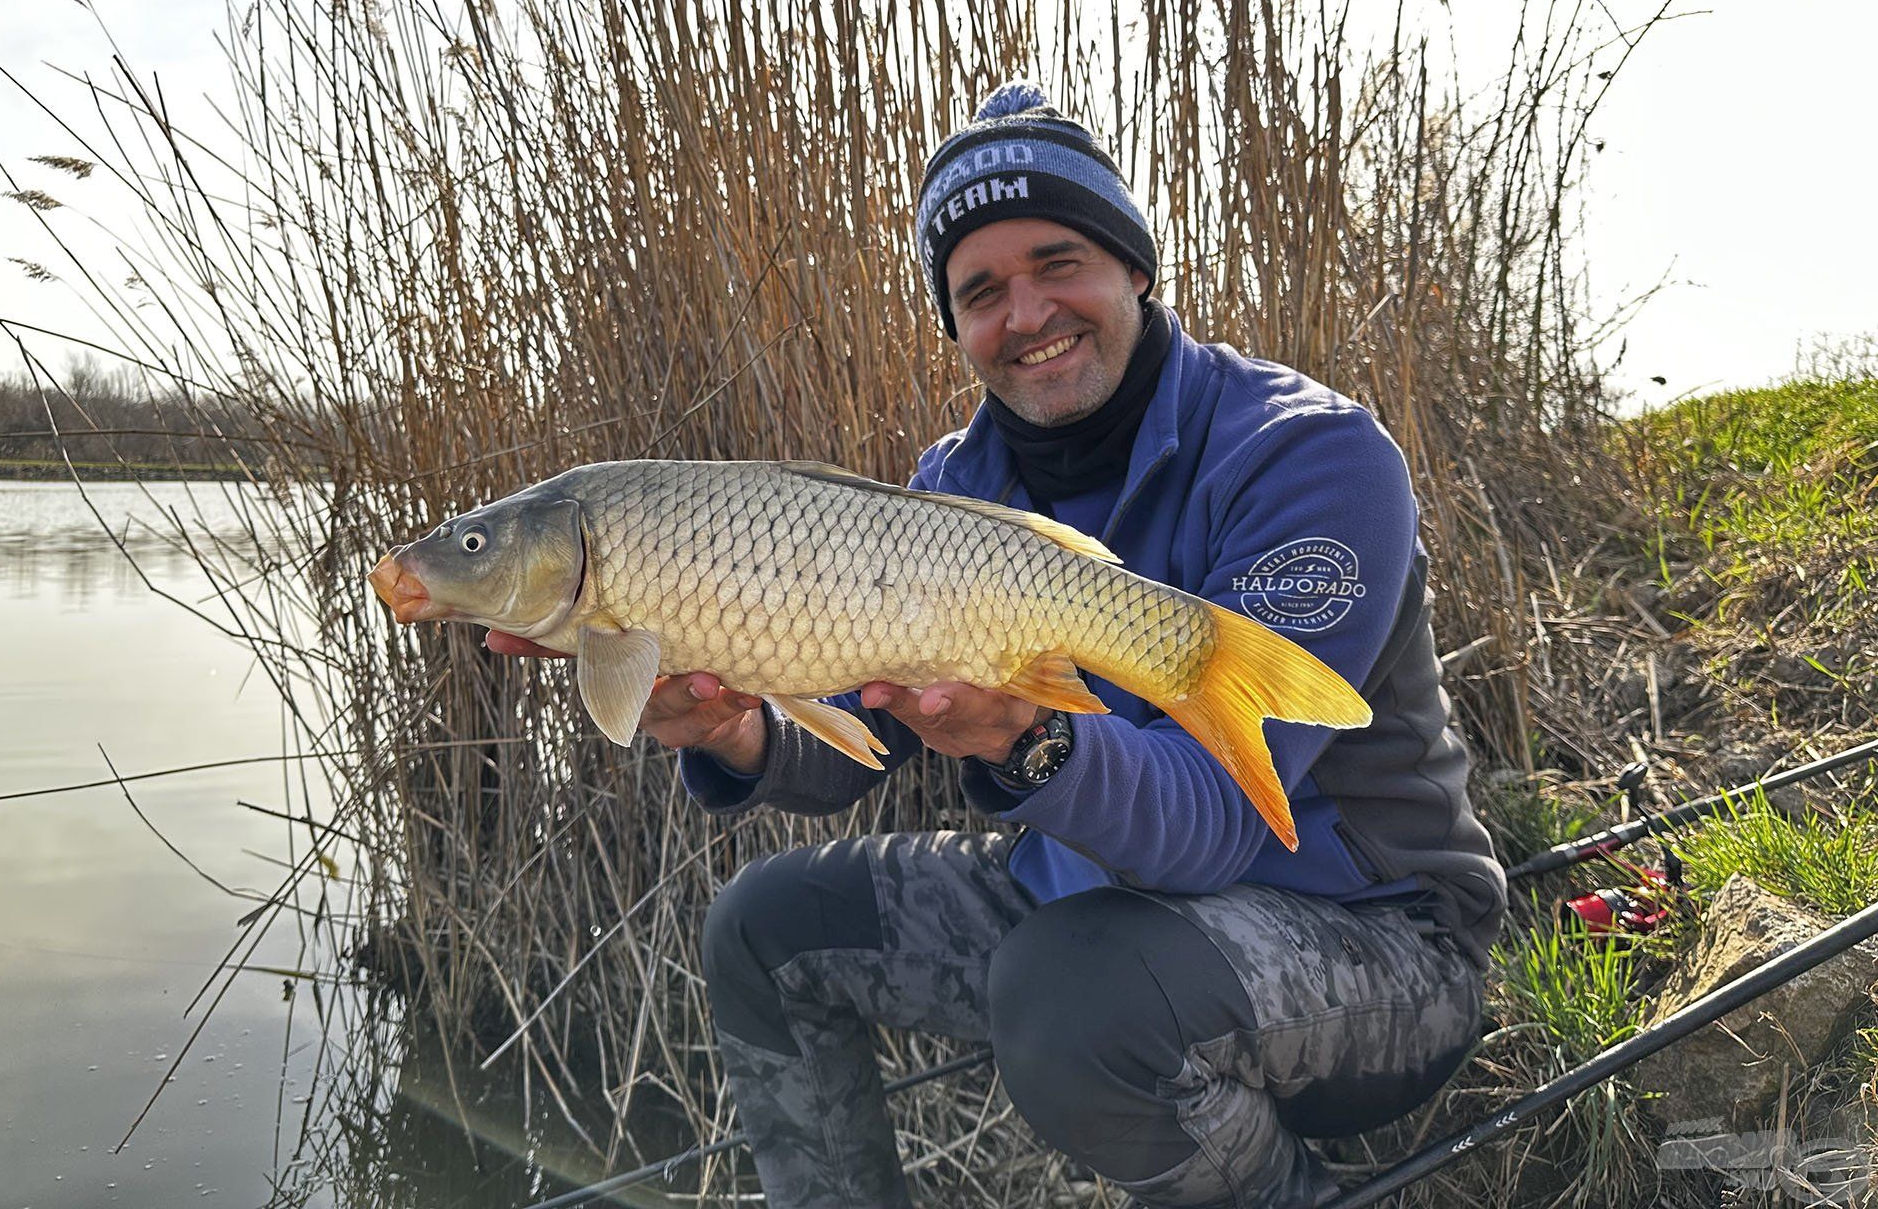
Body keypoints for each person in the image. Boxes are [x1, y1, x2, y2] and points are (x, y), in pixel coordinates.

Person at [491, 83, 1506, 1207]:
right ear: (958, 326)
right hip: (1085, 911)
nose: (1025, 313)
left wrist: (1033, 748)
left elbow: (1218, 829)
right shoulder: (954, 489)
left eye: (1058, 262)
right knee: (764, 931)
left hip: (1372, 946)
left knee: (1073, 993)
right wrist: (739, 730)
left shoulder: (1309, 457)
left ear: (1134, 267)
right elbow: (863, 728)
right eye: (981, 291)